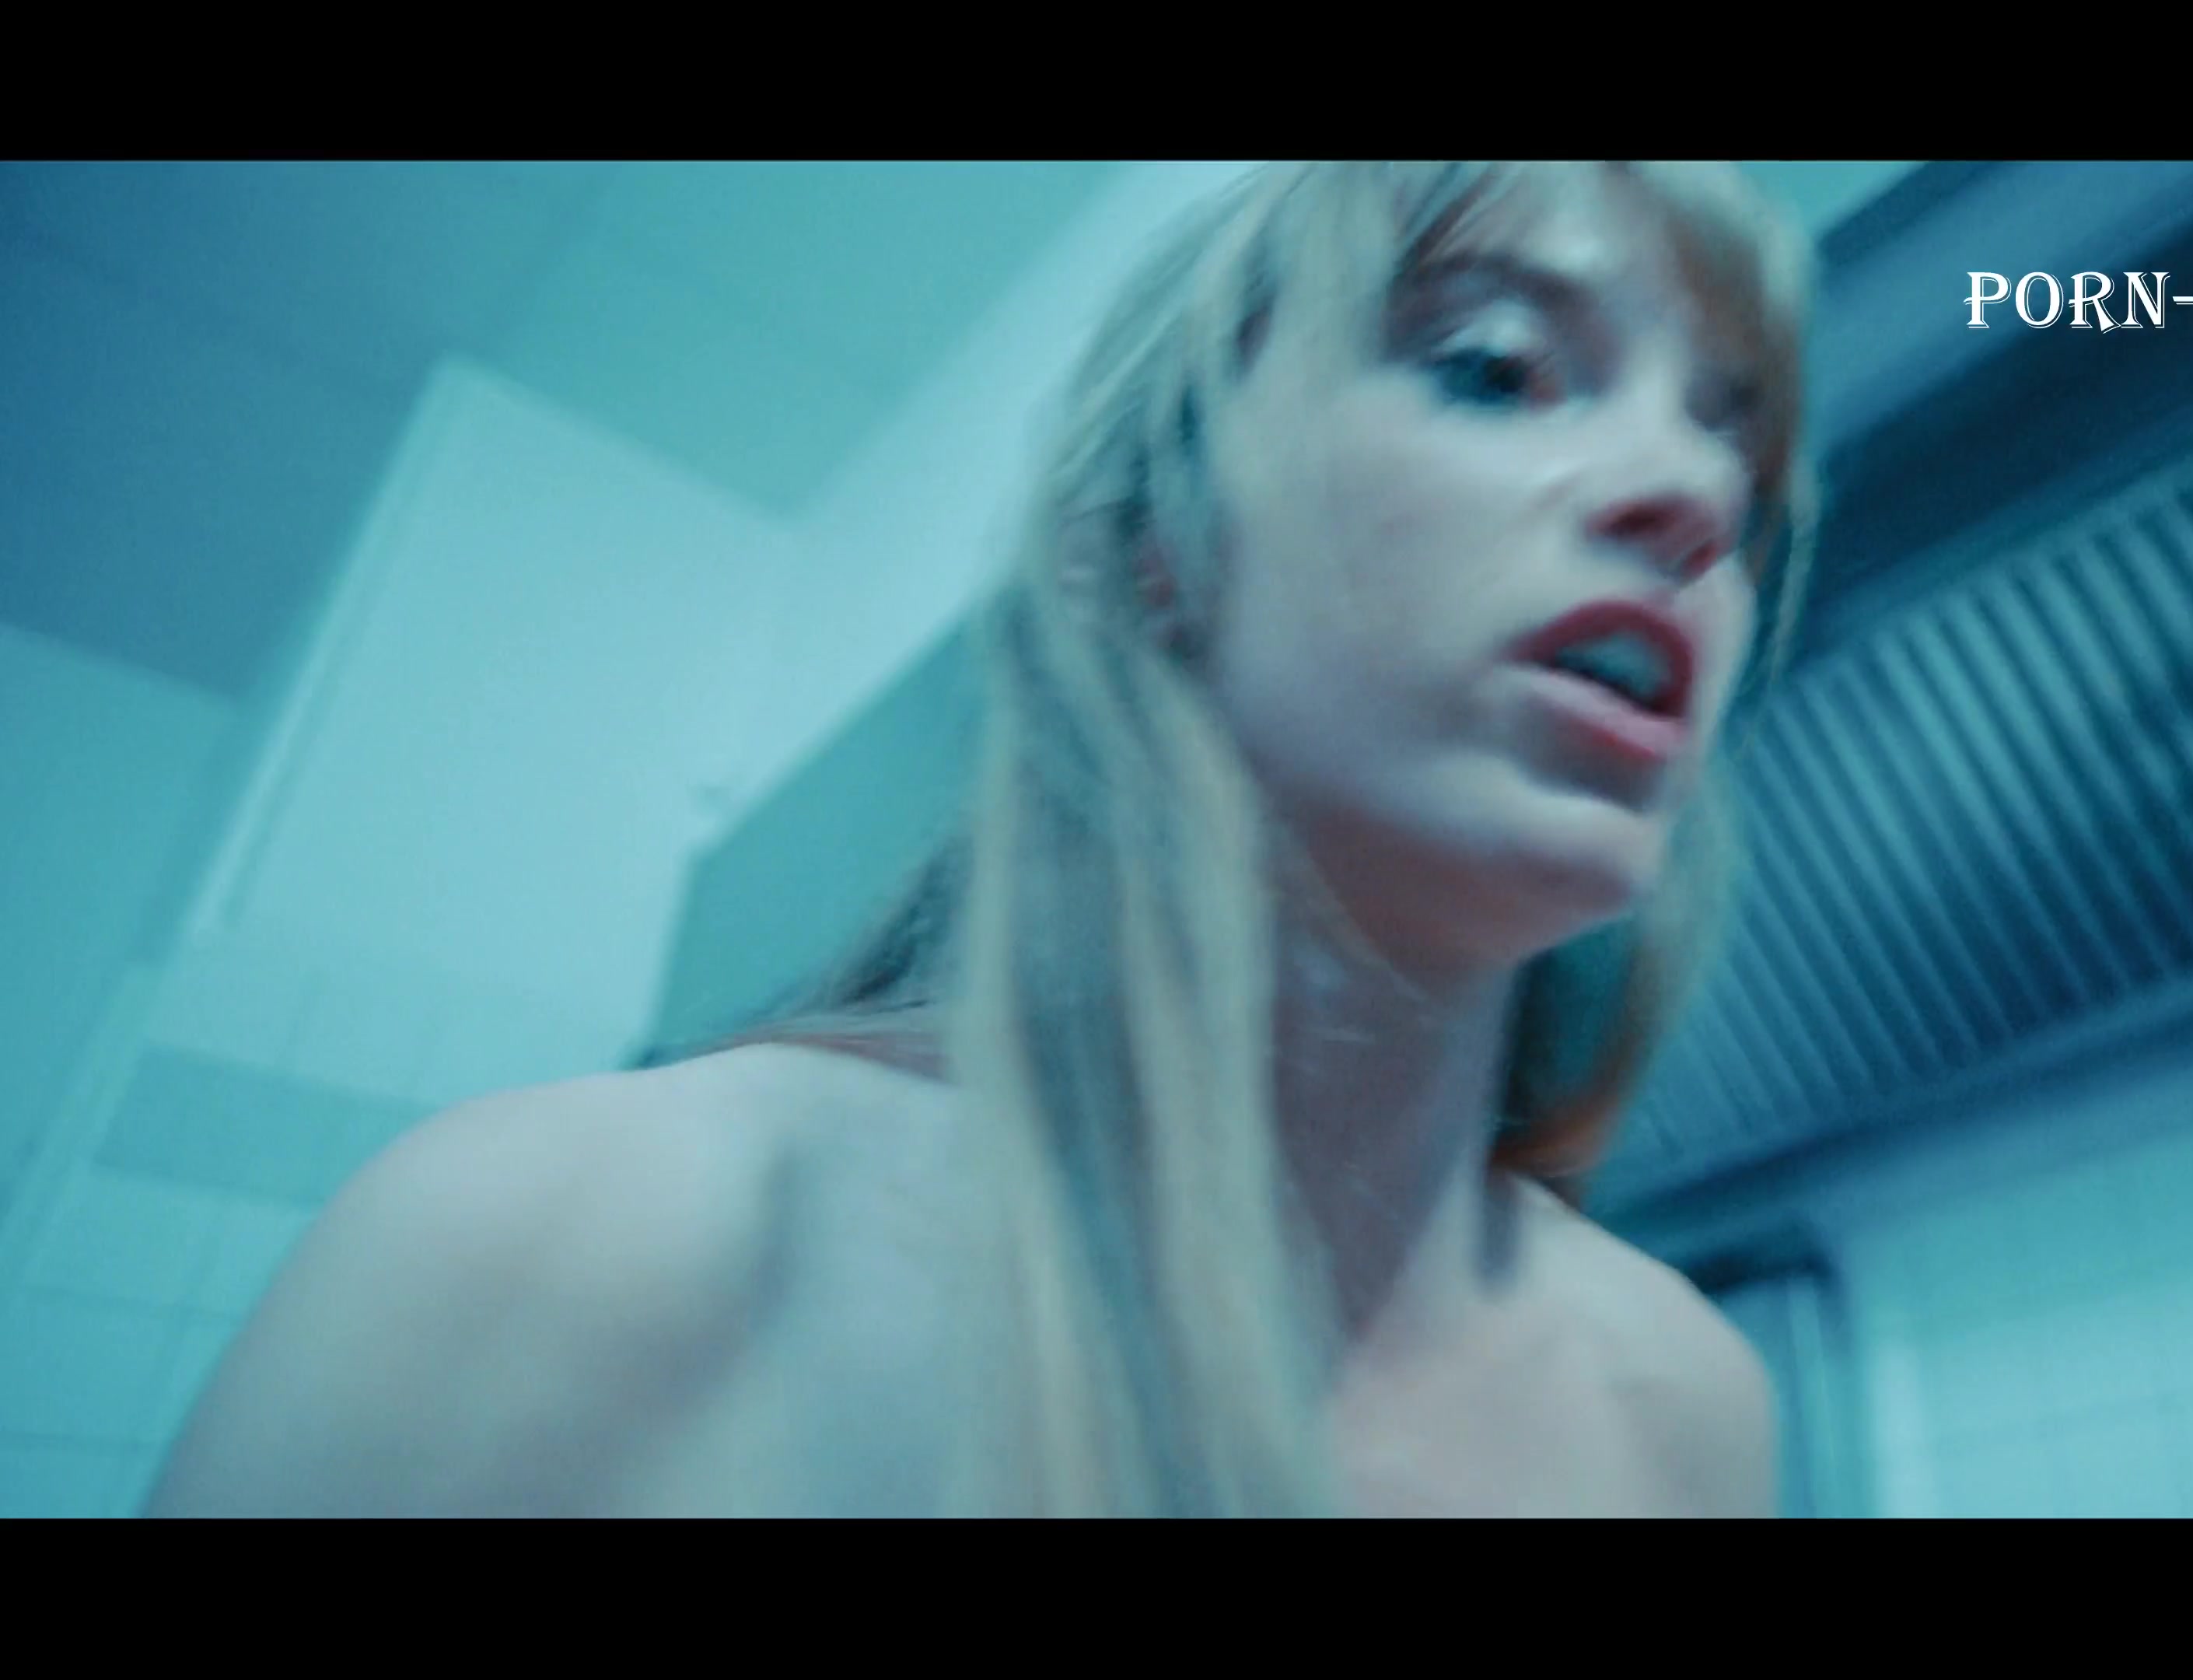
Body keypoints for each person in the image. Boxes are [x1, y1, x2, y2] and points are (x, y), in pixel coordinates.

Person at [144, 160, 1822, 1517]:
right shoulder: (568, 1244)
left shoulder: (1687, 1410)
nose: (1687, 499)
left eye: (1734, 466)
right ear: (1154, 555)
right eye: (1494, 369)